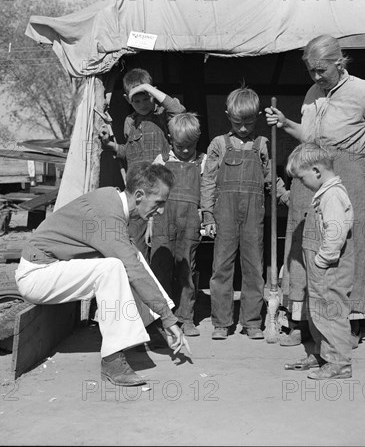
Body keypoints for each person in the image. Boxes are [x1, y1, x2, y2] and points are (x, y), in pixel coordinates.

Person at [266, 35, 365, 346]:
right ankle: (301, 321)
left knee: (348, 244)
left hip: (348, 174)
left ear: (339, 62)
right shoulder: (313, 92)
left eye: (321, 70)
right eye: (311, 71)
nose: (316, 77)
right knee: (302, 241)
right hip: (311, 170)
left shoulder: (361, 92)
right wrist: (286, 123)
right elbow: (310, 135)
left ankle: (350, 322)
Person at [14, 162, 191, 387]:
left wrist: (165, 316)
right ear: (139, 195)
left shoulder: (111, 199)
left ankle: (152, 326)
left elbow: (134, 261)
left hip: (52, 269)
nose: (162, 211)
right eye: (159, 203)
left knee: (127, 255)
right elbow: (133, 270)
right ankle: (113, 362)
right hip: (37, 276)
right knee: (113, 268)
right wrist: (168, 317)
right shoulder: (107, 217)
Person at [201, 86, 271, 340]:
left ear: (258, 116)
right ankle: (221, 322)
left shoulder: (263, 144)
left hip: (254, 213)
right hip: (225, 213)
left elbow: (270, 179)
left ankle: (252, 321)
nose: (243, 128)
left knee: (254, 266)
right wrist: (208, 213)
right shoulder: (218, 144)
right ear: (228, 114)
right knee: (221, 266)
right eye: (238, 122)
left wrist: (285, 195)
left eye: (249, 122)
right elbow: (208, 180)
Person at [283, 143, 354, 380]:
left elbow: (335, 233)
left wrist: (322, 260)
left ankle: (340, 363)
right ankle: (323, 355)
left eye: (302, 179)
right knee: (318, 312)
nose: (302, 184)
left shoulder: (333, 195)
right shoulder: (324, 193)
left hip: (329, 267)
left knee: (331, 312)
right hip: (321, 267)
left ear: (316, 171)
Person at [101, 68, 186, 258]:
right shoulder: (129, 122)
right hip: (137, 193)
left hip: (160, 189)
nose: (142, 104)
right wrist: (111, 145)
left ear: (153, 93)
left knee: (161, 245)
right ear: (127, 99)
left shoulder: (164, 115)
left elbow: (179, 110)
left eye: (146, 98)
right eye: (136, 101)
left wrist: (147, 87)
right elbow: (128, 152)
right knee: (136, 246)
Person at [150, 113, 207, 337]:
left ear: (198, 139)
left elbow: (208, 192)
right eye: (180, 146)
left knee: (187, 271)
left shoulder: (202, 162)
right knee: (160, 269)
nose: (185, 151)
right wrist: (149, 224)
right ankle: (161, 318)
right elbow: (152, 195)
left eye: (190, 146)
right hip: (163, 220)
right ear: (170, 139)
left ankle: (186, 318)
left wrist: (206, 216)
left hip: (190, 221)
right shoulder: (161, 161)